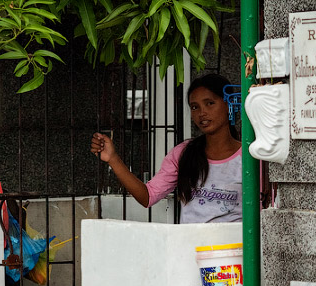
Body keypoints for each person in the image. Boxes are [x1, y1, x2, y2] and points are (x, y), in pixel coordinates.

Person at [91, 73, 242, 224]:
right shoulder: (183, 153)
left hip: (234, 239)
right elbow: (148, 196)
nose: (202, 113)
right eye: (195, 107)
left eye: (210, 103)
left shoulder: (248, 157)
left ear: (229, 104)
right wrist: (113, 159)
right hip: (189, 239)